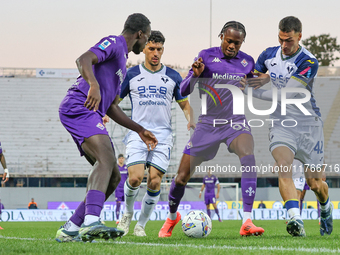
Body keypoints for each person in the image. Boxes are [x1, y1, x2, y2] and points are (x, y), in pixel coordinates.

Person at [56, 13, 157, 243]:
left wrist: (139, 129)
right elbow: (83, 59)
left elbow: (111, 107)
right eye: (147, 37)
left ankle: (71, 227)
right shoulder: (114, 42)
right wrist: (93, 84)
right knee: (106, 160)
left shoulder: (122, 59)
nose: (147, 42)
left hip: (93, 112)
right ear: (140, 34)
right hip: (79, 104)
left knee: (112, 177)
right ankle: (91, 221)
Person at [158, 21, 264, 238]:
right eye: (229, 40)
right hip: (208, 124)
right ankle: (171, 217)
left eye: (237, 42)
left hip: (235, 122)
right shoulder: (206, 56)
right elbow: (184, 89)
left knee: (249, 157)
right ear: (221, 37)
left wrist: (263, 80)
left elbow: (256, 86)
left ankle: (247, 221)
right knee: (180, 178)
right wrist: (195, 75)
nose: (232, 46)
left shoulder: (247, 61)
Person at [241, 16, 332, 237]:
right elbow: (255, 75)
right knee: (283, 164)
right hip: (282, 123)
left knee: (316, 183)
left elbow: (288, 94)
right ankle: (295, 219)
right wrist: (253, 79)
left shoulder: (308, 61)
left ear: (299, 36)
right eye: (281, 39)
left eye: (289, 40)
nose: (284, 44)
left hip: (309, 125)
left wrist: (252, 91)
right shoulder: (268, 55)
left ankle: (326, 208)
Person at [117, 30, 195, 237]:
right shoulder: (131, 75)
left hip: (162, 136)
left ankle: (141, 225)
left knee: (154, 182)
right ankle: (126, 215)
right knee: (135, 178)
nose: (155, 53)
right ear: (143, 49)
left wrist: (191, 121)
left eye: (159, 49)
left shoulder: (173, 76)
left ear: (163, 50)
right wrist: (105, 114)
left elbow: (185, 105)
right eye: (151, 48)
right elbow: (114, 102)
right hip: (138, 132)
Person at [115, 154, 128, 223]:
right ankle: (117, 219)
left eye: (122, 158)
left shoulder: (126, 167)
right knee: (118, 203)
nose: (121, 159)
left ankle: (126, 218)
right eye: (120, 158)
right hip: (118, 188)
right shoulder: (116, 167)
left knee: (126, 204)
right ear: (118, 159)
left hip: (125, 188)